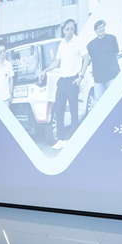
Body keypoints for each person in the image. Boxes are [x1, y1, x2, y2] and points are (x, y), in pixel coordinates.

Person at [37, 19, 91, 149]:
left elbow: (86, 58)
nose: (70, 31)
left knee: (73, 111)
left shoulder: (78, 42)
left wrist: (80, 77)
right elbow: (57, 62)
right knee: (59, 110)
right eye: (67, 29)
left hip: (73, 80)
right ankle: (61, 139)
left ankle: (72, 139)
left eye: (72, 28)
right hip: (62, 81)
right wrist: (45, 70)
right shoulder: (62, 44)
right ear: (63, 30)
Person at [86, 19, 121, 103]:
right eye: (98, 28)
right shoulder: (90, 45)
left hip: (112, 76)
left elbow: (116, 54)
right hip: (98, 78)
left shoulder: (112, 39)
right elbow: (88, 60)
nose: (101, 29)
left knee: (114, 99)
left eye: (102, 27)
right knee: (98, 101)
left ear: (105, 27)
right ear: (95, 31)